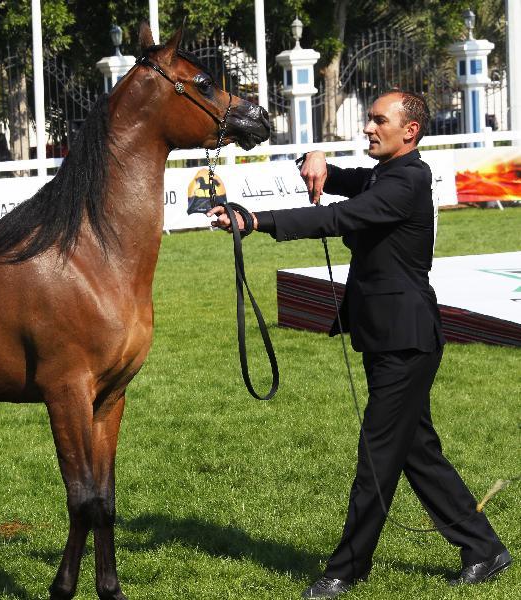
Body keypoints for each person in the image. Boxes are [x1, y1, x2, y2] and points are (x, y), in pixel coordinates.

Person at [209, 90, 511, 598]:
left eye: (378, 121)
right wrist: (314, 156)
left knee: (377, 456)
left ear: (409, 131)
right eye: (369, 120)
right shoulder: (385, 173)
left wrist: (258, 220)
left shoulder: (408, 181)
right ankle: (484, 548)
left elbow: (338, 217)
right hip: (388, 334)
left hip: (406, 340)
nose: (368, 128)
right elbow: (345, 180)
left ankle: (346, 568)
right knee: (415, 451)